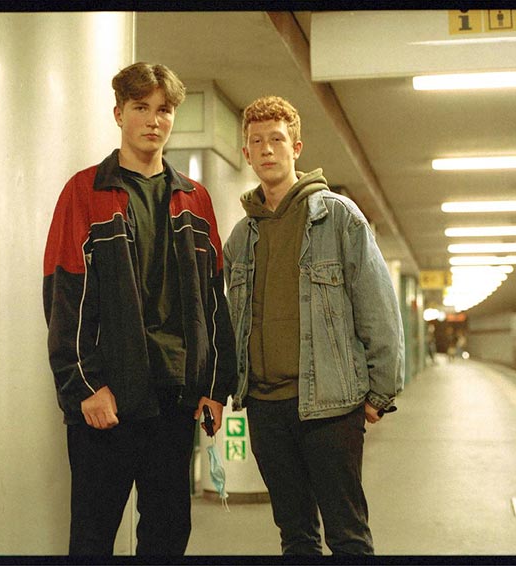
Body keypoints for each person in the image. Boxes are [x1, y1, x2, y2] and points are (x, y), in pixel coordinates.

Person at [42, 62, 237, 556]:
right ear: (119, 114)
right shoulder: (85, 192)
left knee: (168, 537)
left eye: (164, 109)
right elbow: (64, 295)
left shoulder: (195, 199)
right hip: (108, 398)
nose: (154, 120)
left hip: (175, 398)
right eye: (141, 107)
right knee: (92, 539)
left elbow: (214, 300)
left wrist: (215, 387)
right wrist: (85, 387)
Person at [223, 95, 405, 555]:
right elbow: (233, 321)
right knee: (296, 536)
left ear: (296, 148)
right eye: (257, 142)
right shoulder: (242, 237)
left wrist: (380, 392)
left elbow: (378, 307)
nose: (267, 149)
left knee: (347, 535)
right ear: (246, 153)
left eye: (276, 139)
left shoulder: (338, 216)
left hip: (330, 407)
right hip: (265, 407)